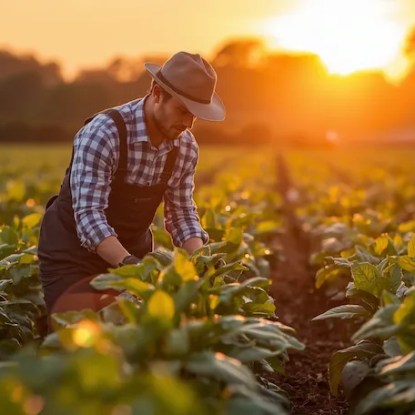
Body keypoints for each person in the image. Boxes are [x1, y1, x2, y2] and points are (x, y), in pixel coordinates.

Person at [37, 51, 225, 318]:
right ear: (157, 92)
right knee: (75, 337)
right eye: (183, 110)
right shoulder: (104, 133)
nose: (188, 123)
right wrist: (132, 266)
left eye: (195, 115)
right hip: (72, 254)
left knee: (136, 339)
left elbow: (181, 214)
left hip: (132, 252)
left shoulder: (185, 147)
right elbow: (89, 217)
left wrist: (200, 264)